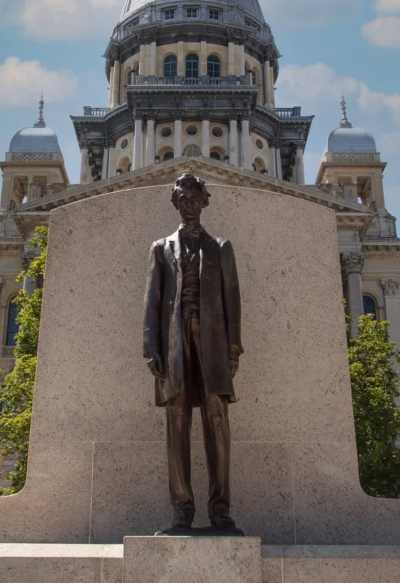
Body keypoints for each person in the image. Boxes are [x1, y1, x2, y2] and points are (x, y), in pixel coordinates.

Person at [142, 173, 244, 535]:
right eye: (182, 199)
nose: (188, 204)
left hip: (213, 344)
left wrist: (234, 348)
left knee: (217, 426)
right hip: (174, 346)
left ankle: (221, 512)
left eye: (194, 198)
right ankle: (182, 511)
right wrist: (150, 347)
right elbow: (152, 301)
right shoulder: (160, 248)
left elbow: (232, 301)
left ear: (204, 201)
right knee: (178, 425)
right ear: (175, 203)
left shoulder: (221, 248)